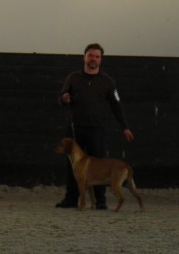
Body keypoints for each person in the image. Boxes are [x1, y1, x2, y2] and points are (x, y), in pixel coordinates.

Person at [56, 43, 135, 210]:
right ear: (84, 57)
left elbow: (116, 105)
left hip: (96, 129)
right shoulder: (73, 78)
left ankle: (100, 201)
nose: (93, 59)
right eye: (91, 56)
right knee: (73, 166)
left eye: (97, 57)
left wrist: (125, 127)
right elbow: (61, 98)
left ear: (101, 59)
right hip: (75, 128)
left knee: (100, 166)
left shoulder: (108, 81)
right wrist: (64, 98)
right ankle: (71, 199)